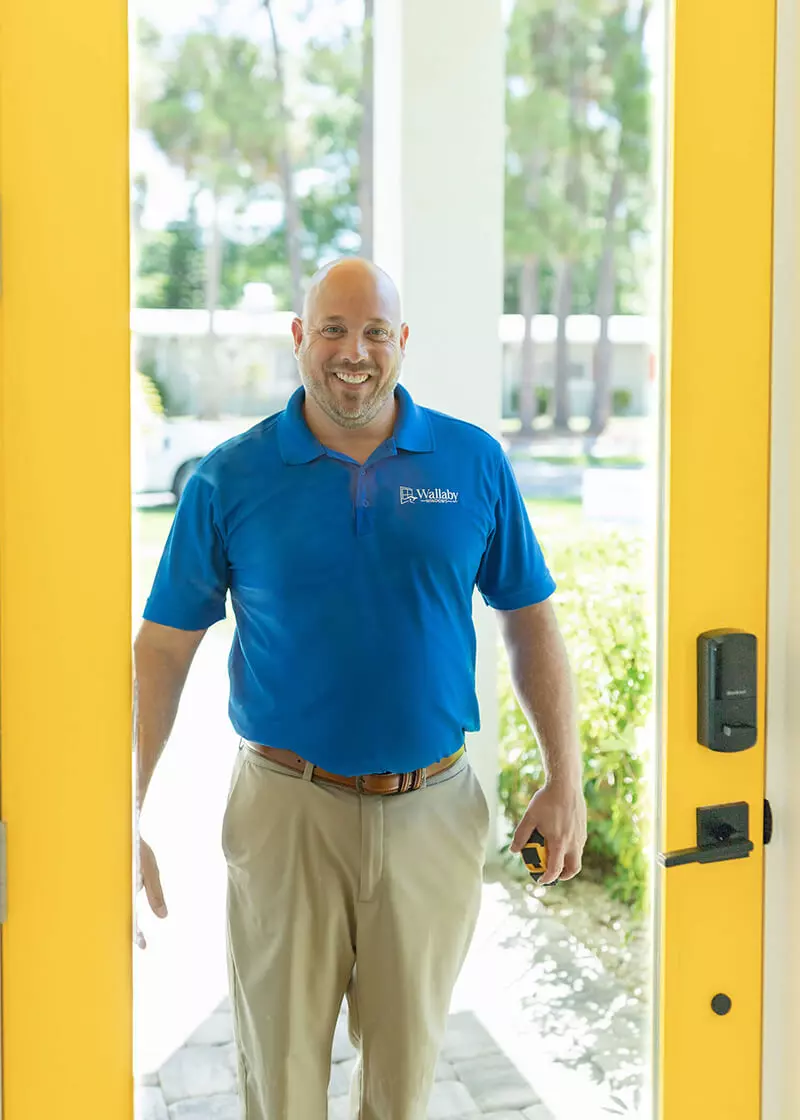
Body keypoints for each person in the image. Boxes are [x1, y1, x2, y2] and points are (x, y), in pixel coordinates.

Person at [133, 257, 587, 1120]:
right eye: (333, 330)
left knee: (405, 1084)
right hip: (285, 816)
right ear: (300, 338)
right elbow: (162, 648)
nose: (354, 352)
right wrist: (126, 805)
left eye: (375, 331)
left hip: (432, 816)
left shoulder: (472, 461)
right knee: (281, 1079)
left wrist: (564, 780)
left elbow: (530, 618)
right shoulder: (231, 478)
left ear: (401, 343)